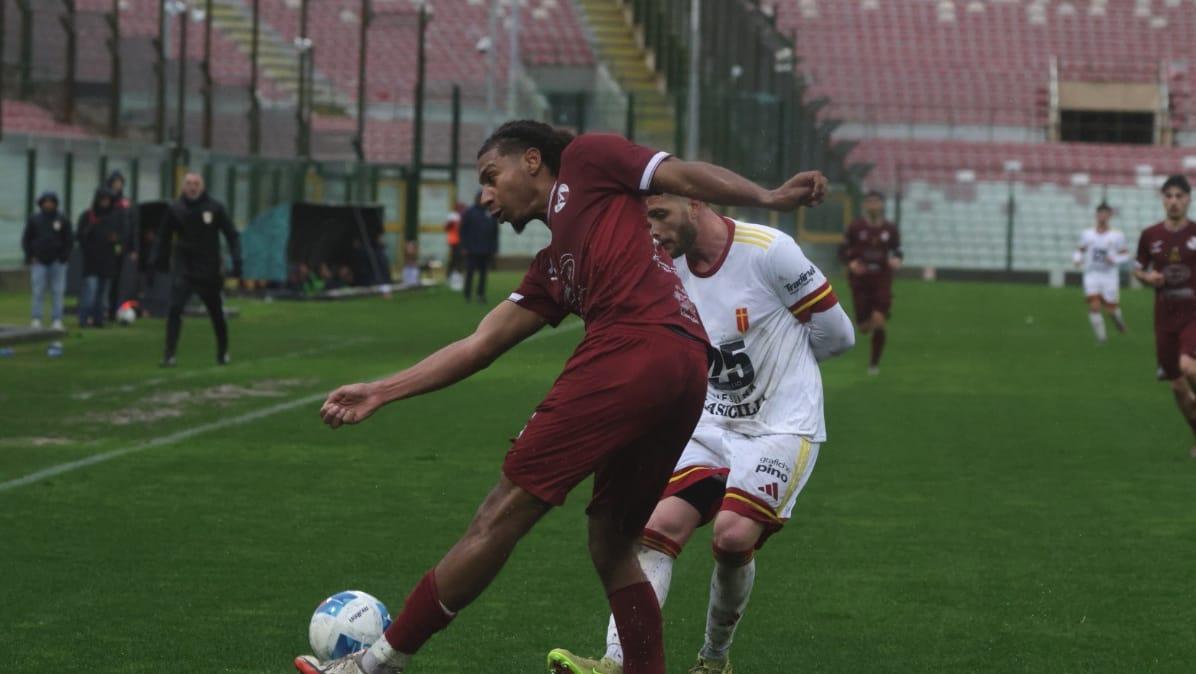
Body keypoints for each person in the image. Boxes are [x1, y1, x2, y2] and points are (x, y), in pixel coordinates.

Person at [294, 120, 827, 674]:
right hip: (686, 364)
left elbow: (681, 174)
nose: (484, 196)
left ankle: (376, 663)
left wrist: (766, 197)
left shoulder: (587, 160)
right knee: (614, 545)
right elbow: (480, 343)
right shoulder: (554, 265)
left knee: (502, 510)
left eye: (489, 176)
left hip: (631, 349)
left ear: (531, 160)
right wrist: (381, 391)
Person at [547, 195, 854, 674]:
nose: (651, 230)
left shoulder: (770, 250)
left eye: (660, 216)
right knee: (654, 530)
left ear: (695, 203)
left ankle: (713, 660)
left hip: (781, 424)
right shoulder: (666, 271)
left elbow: (838, 335)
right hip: (710, 423)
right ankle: (616, 662)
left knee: (732, 539)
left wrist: (787, 374)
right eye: (644, 219)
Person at [1133, 174, 1196, 458]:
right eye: (1168, 196)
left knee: (1187, 367)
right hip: (1164, 317)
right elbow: (1137, 268)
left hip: (1193, 313)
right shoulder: (1150, 235)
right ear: (1162, 199)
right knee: (1177, 386)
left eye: (1179, 196)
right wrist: (1148, 278)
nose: (1173, 201)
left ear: (1188, 199)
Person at [151, 173, 241, 367]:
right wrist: (159, 261)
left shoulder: (214, 208)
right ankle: (169, 354)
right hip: (184, 269)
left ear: (203, 186)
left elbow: (231, 234)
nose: (193, 187)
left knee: (216, 313)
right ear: (183, 187)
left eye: (196, 184)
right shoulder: (176, 209)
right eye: (189, 184)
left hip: (209, 270)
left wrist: (237, 259)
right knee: (174, 309)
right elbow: (163, 237)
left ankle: (223, 351)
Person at [839, 190, 902, 375]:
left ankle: (874, 364)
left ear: (882, 205)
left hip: (882, 279)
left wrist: (897, 259)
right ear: (865, 205)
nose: (873, 205)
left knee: (879, 320)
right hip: (860, 281)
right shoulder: (855, 227)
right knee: (865, 327)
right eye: (870, 202)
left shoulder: (890, 229)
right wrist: (851, 264)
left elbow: (898, 250)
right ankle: (863, 324)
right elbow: (842, 251)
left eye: (876, 202)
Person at [1073, 201, 1129, 343]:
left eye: (1105, 213)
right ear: (1096, 215)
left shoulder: (1117, 236)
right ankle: (1101, 338)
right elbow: (1080, 249)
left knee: (1111, 309)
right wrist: (1077, 259)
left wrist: (1114, 259)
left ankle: (1117, 320)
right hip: (1091, 274)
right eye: (1100, 213)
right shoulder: (1087, 234)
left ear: (1110, 215)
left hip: (1109, 276)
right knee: (1095, 305)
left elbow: (1125, 255)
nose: (1102, 216)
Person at [21, 190, 72, 330]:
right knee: (38, 291)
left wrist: (64, 257)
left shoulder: (62, 219)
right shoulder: (34, 219)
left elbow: (68, 240)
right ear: (41, 203)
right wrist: (30, 256)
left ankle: (57, 319)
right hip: (39, 262)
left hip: (57, 262)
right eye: (46, 201)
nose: (48, 204)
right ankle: (36, 318)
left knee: (57, 291)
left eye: (51, 201)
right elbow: (26, 239)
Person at [76, 188, 123, 327]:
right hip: (91, 261)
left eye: (107, 200)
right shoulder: (87, 216)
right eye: (103, 199)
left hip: (107, 260)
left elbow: (120, 238)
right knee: (90, 291)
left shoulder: (113, 218)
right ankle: (84, 319)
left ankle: (98, 319)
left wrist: (116, 241)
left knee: (102, 294)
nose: (105, 202)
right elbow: (80, 236)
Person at [105, 170, 138, 322]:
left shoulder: (126, 203)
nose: (117, 185)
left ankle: (113, 310)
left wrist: (132, 248)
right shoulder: (105, 202)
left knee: (118, 280)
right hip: (107, 247)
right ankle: (103, 308)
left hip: (122, 248)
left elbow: (132, 226)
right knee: (106, 279)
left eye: (120, 182)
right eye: (115, 182)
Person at [459, 191, 499, 303]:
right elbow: (463, 231)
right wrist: (464, 247)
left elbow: (495, 233)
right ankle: (467, 294)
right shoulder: (469, 212)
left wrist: (494, 248)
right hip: (472, 249)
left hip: (485, 249)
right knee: (470, 273)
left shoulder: (490, 212)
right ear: (477, 199)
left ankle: (480, 295)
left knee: (483, 274)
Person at [444, 203, 464, 289]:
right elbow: (446, 227)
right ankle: (451, 275)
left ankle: (455, 275)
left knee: (458, 258)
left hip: (459, 240)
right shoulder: (452, 216)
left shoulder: (461, 216)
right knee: (455, 258)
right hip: (454, 240)